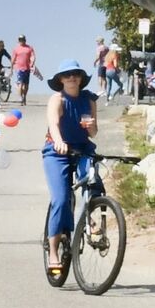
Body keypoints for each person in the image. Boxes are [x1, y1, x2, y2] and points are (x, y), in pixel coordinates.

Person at [41, 60, 98, 277]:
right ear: (61, 80)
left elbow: (94, 133)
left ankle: (90, 221)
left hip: (83, 148)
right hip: (58, 152)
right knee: (61, 199)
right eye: (67, 75)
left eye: (75, 74)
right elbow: (53, 123)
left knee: (92, 182)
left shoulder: (89, 99)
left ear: (81, 78)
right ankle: (53, 252)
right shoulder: (58, 99)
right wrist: (58, 141)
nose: (72, 78)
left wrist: (91, 127)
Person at [11, 35, 36, 104]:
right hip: (19, 68)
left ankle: (24, 96)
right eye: (20, 40)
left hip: (27, 68)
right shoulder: (16, 49)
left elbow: (33, 56)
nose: (21, 41)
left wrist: (32, 62)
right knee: (21, 84)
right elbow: (13, 59)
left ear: (25, 40)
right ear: (18, 41)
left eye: (22, 40)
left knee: (26, 85)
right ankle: (20, 97)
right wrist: (11, 69)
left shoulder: (29, 48)